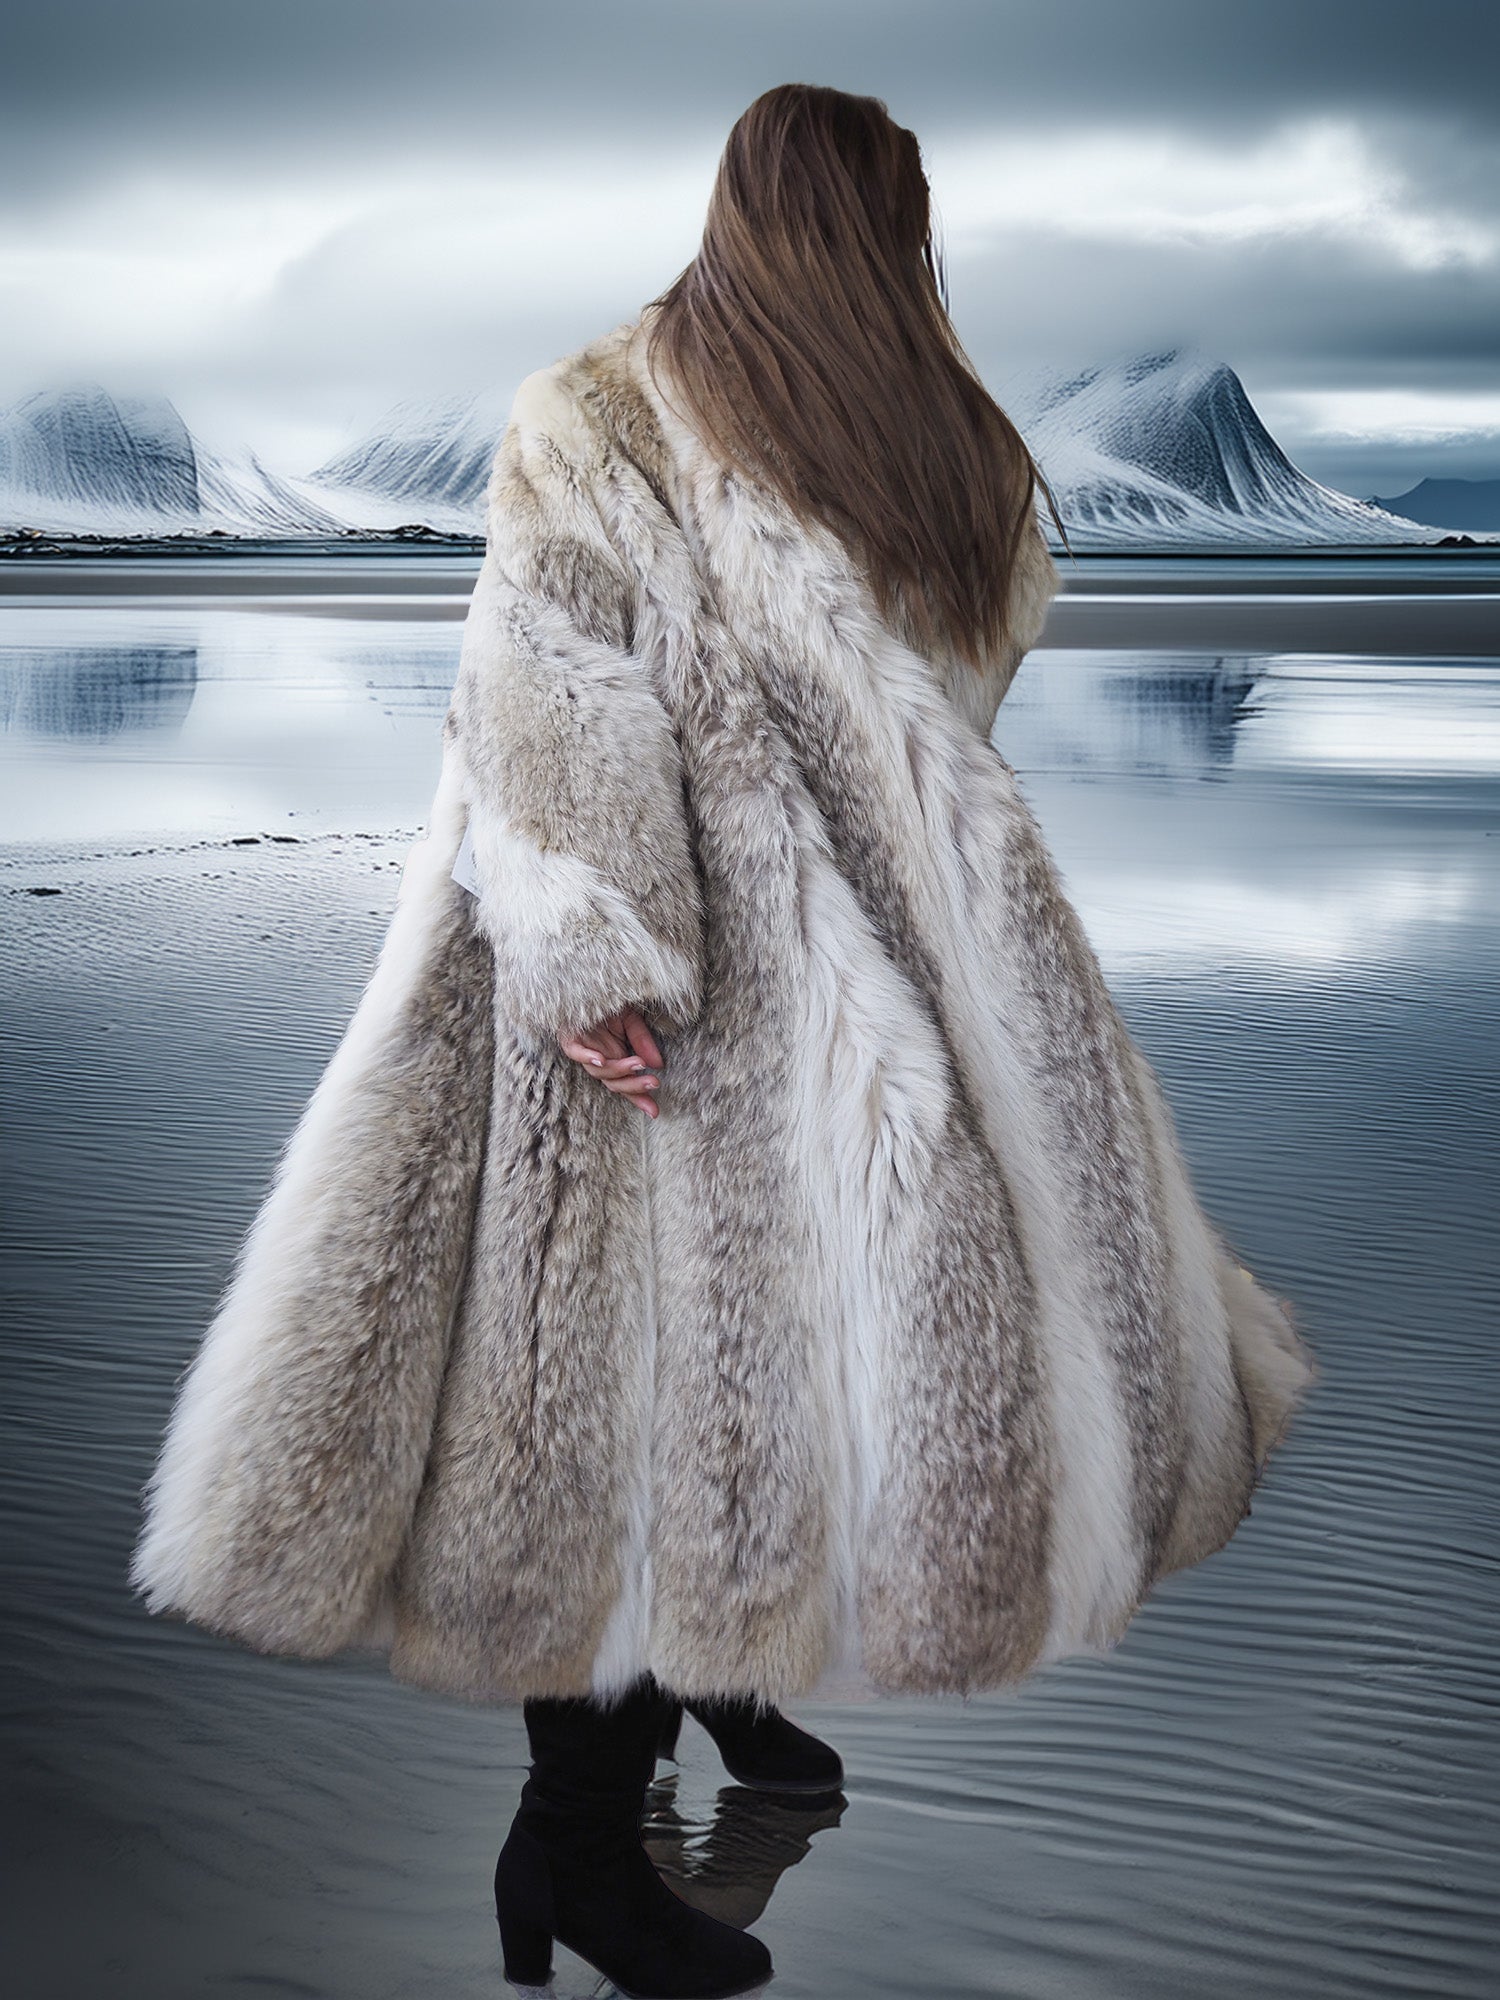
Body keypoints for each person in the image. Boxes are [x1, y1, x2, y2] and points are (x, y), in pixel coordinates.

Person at [130, 83, 1316, 2000]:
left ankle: (593, 1833)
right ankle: (607, 1826)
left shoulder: (599, 413)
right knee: (733, 1384)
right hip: (862, 1013)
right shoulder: (963, 456)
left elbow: (547, 686)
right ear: (898, 235)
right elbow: (947, 729)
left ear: (736, 209)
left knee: (616, 1408)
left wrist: (593, 955)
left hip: (647, 1006)